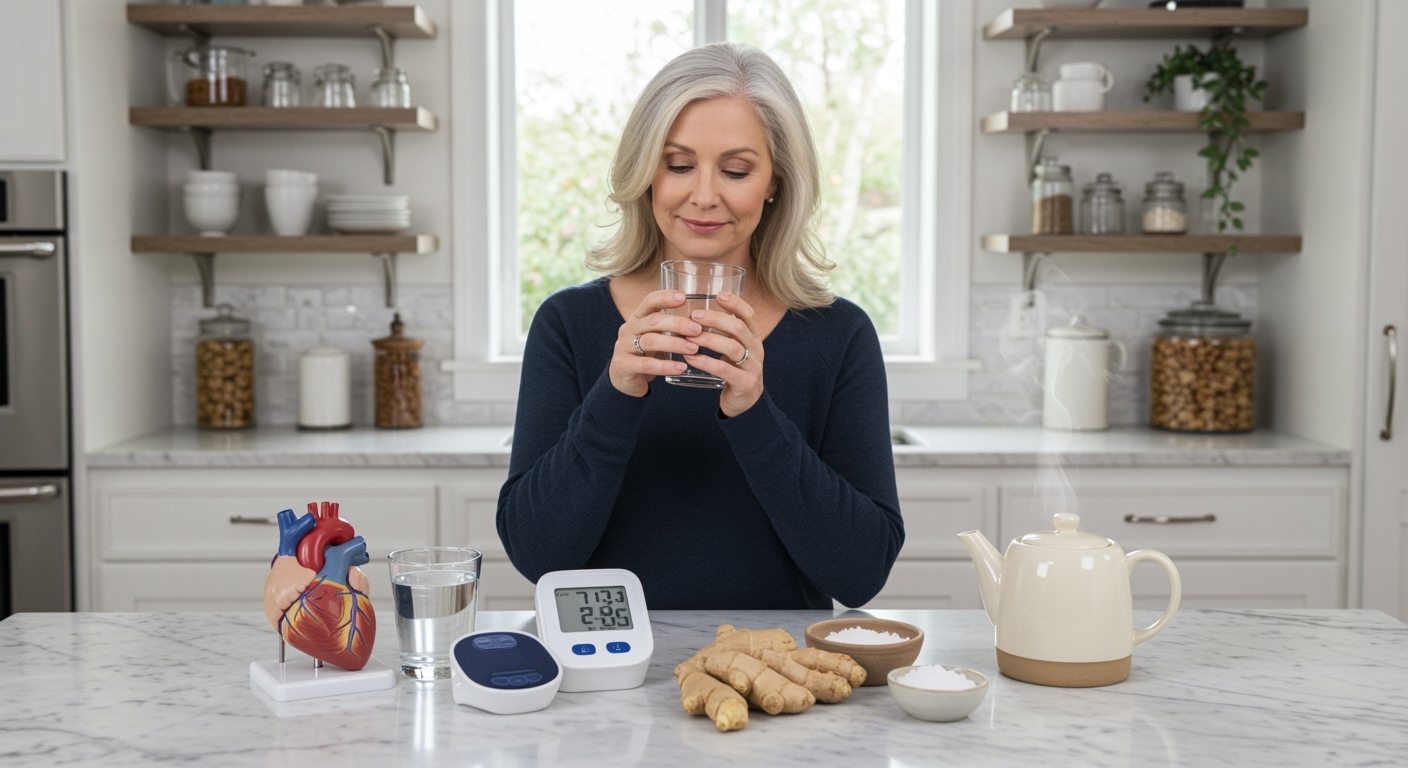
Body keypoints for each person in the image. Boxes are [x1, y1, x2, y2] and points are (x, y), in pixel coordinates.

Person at [497, 42, 903, 610]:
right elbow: (535, 554)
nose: (704, 196)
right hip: (607, 673)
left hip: (775, 676)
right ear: (647, 173)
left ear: (775, 181)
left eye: (736, 170)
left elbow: (861, 574)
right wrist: (615, 396)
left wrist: (754, 413)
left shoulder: (839, 335)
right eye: (679, 165)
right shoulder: (568, 324)